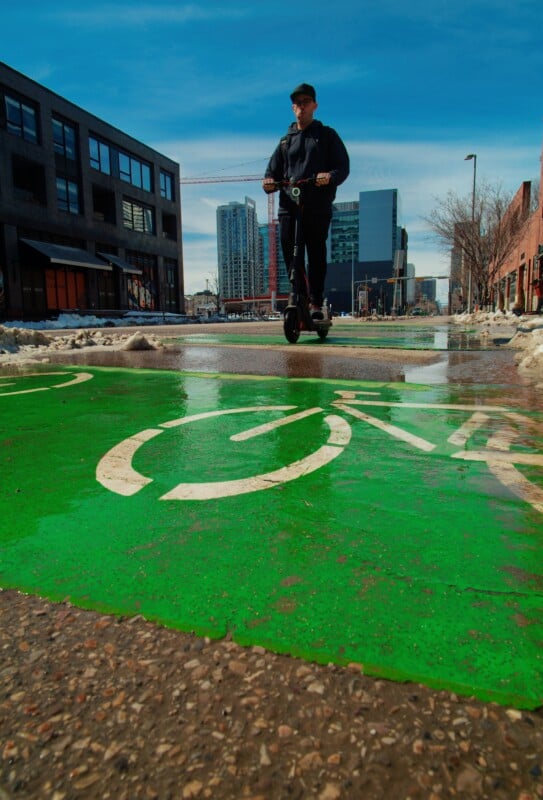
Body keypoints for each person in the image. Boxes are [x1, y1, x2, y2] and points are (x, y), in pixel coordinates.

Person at [263, 83, 349, 318]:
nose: (301, 107)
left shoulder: (326, 136)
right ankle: (297, 294)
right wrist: (269, 181)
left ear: (314, 105)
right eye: (297, 103)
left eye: (305, 102)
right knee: (291, 255)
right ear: (293, 108)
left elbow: (343, 167)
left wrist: (329, 176)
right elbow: (271, 171)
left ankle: (315, 303)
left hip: (317, 206)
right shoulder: (284, 142)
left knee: (316, 253)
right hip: (289, 207)